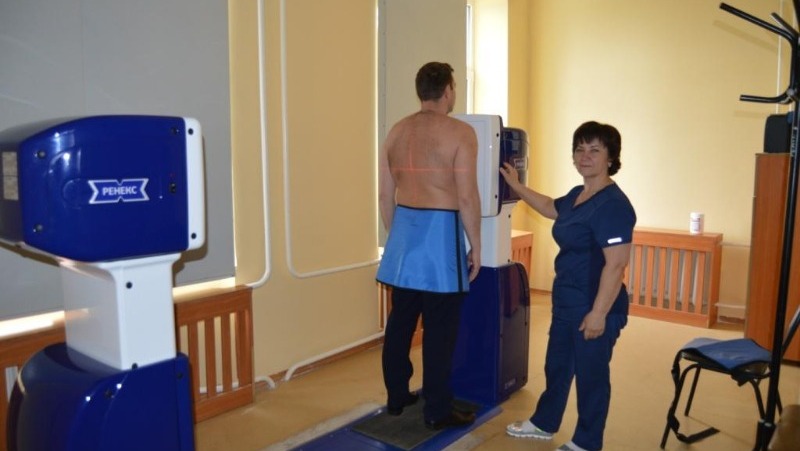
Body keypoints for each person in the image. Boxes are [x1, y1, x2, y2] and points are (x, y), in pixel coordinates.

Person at [501, 121, 636, 451]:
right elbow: (551, 207)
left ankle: (587, 442)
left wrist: (598, 314)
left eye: (594, 150)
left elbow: (616, 265)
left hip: (595, 305)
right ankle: (544, 423)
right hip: (567, 301)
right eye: (579, 149)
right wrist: (517, 186)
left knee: (591, 377)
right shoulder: (579, 194)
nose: (584, 156)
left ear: (610, 158)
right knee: (557, 367)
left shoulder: (614, 205)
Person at [375, 62, 482, 430]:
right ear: (448, 91)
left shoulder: (396, 132)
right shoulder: (460, 133)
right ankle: (437, 410)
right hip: (441, 236)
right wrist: (476, 246)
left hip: (404, 234)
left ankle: (396, 397)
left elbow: (384, 196)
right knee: (440, 330)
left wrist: (398, 241)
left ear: (420, 90)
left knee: (401, 323)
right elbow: (467, 197)